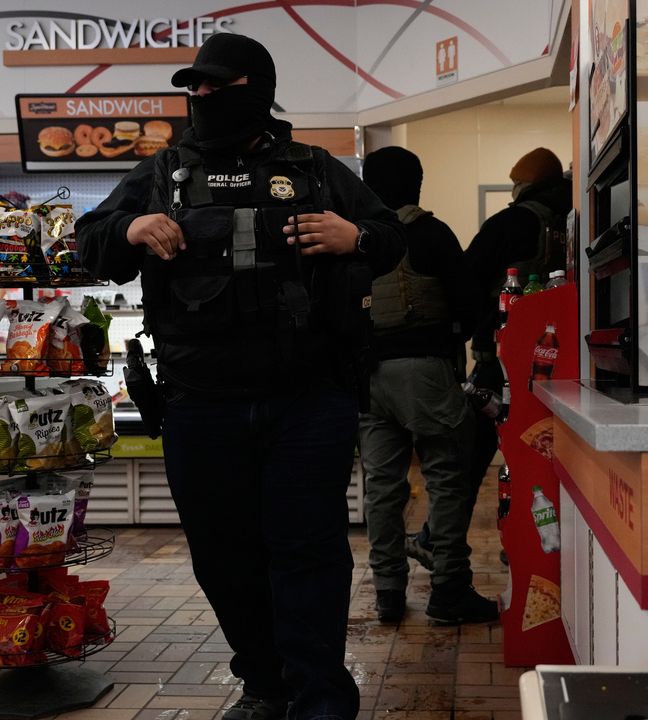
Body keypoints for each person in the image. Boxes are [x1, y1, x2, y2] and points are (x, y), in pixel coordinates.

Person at [77, 33, 405, 720]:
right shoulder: (163, 171)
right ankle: (265, 684)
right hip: (199, 404)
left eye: (214, 85)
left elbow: (388, 235)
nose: (200, 97)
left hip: (307, 400)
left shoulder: (316, 168)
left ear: (256, 89)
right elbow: (90, 241)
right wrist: (132, 229)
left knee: (308, 552)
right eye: (192, 86)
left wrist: (358, 238)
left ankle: (321, 700)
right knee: (222, 557)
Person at [405, 147, 572, 568]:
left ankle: (435, 541)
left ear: (524, 185)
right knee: (543, 452)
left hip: (501, 359)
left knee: (471, 451)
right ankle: (532, 541)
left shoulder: (512, 222)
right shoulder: (574, 216)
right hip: (561, 357)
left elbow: (466, 278)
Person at [357, 147, 496, 624]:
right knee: (447, 477)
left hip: (367, 377)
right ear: (415, 183)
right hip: (425, 371)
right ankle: (449, 589)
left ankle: (388, 591)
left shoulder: (355, 238)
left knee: (382, 487)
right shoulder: (430, 232)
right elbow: (469, 301)